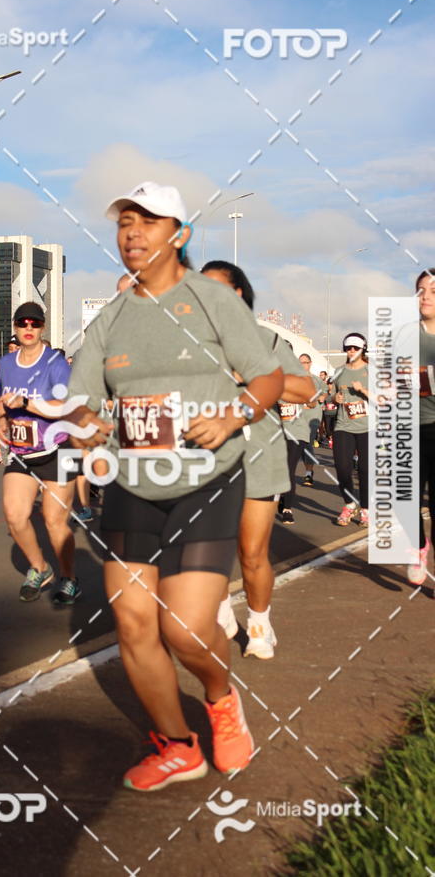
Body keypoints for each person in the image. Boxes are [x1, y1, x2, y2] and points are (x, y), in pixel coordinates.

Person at [68, 181, 284, 791]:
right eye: (124, 222)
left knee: (185, 629)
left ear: (179, 234)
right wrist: (89, 435)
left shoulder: (212, 301)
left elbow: (267, 377)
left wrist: (233, 416)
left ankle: (219, 698)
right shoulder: (110, 319)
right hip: (135, 483)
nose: (132, 232)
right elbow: (84, 403)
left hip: (207, 480)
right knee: (134, 624)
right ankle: (177, 744)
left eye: (147, 221)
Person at [201, 262, 314, 657]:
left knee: (251, 554)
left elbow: (305, 391)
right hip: (206, 459)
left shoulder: (266, 341)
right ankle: (218, 609)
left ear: (236, 295)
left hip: (257, 455)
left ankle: (260, 623)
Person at [0, 302, 80, 605]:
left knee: (54, 520)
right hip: (22, 451)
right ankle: (40, 568)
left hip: (58, 448)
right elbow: (2, 399)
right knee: (14, 515)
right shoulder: (5, 364)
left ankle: (69, 578)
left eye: (34, 324)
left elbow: (65, 407)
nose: (28, 329)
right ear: (15, 327)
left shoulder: (56, 363)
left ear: (42, 327)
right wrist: (3, 422)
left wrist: (28, 405)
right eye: (23, 324)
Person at [409, 269, 435, 584]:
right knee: (408, 500)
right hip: (410, 429)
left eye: (433, 289)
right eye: (420, 290)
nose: (426, 295)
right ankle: (418, 546)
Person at [329, 332, 370, 527]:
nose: (351, 351)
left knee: (364, 470)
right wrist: (333, 399)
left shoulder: (372, 371)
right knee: (343, 468)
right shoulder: (338, 372)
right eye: (348, 347)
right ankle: (348, 504)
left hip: (368, 427)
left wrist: (363, 390)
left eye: (355, 348)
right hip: (343, 425)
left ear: (363, 349)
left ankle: (366, 510)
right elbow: (329, 396)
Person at [297, 354, 327, 486]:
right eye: (300, 363)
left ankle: (308, 473)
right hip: (298, 416)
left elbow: (326, 391)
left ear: (310, 363)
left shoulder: (317, 380)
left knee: (308, 442)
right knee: (300, 444)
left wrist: (323, 397)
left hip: (313, 416)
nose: (303, 365)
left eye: (305, 362)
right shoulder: (295, 379)